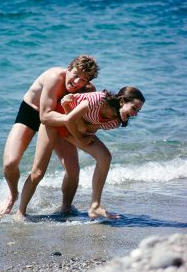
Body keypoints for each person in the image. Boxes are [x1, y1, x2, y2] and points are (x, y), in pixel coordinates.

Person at [16, 86, 145, 219]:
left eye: (138, 111)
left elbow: (85, 129)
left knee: (104, 157)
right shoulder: (98, 100)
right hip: (56, 121)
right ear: (122, 101)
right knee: (37, 172)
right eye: (134, 108)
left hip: (73, 128)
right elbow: (68, 119)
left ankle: (91, 207)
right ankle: (20, 212)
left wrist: (80, 134)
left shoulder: (115, 122)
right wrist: (79, 138)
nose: (135, 114)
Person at [0, 55, 99, 215]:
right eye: (75, 75)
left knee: (73, 171)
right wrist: (69, 119)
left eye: (83, 80)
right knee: (10, 164)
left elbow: (88, 118)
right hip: (32, 112)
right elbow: (44, 116)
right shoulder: (54, 77)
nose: (76, 82)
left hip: (59, 120)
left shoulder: (88, 90)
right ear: (68, 68)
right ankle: (13, 194)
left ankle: (65, 207)